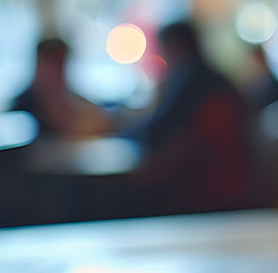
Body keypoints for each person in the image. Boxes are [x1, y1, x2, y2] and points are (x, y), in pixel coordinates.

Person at [130, 20, 256, 213]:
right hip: (233, 181)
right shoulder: (213, 78)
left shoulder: (190, 81)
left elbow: (156, 131)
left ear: (175, 47)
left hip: (197, 185)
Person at [10, 37, 108, 138]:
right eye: (55, 63)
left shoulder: (70, 96)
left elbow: (99, 122)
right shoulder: (23, 105)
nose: (60, 70)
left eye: (63, 63)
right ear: (41, 63)